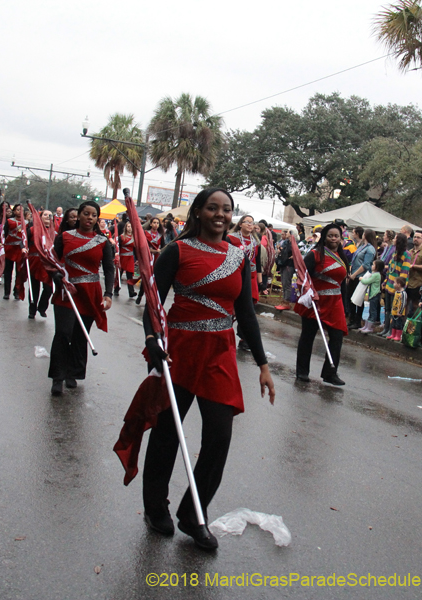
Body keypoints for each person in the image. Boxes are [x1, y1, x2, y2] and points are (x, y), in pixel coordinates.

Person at [140, 188, 275, 550]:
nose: (220, 214)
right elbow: (153, 305)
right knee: (168, 433)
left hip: (220, 354)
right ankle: (155, 508)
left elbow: (246, 312)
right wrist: (153, 340)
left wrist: (263, 363)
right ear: (198, 212)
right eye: (212, 208)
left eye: (226, 209)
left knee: (219, 437)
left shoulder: (239, 255)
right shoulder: (177, 251)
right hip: (180, 351)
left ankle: (193, 514)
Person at [48, 201, 114, 395]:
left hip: (90, 293)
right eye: (86, 213)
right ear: (79, 215)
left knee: (80, 335)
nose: (90, 218)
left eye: (94, 215)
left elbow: (109, 269)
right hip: (67, 292)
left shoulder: (103, 242)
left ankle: (73, 373)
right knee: (63, 333)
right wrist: (57, 277)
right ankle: (57, 377)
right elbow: (52, 262)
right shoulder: (65, 237)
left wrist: (108, 294)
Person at [295, 222, 348, 385]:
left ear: (340, 239)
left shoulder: (342, 257)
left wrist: (346, 306)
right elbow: (303, 276)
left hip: (335, 302)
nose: (334, 238)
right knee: (308, 336)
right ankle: (302, 371)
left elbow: (343, 283)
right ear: (324, 238)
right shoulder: (314, 254)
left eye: (336, 236)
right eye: (330, 235)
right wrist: (307, 292)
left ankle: (330, 373)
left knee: (337, 336)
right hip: (316, 302)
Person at [230, 215, 263, 351]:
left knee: (247, 308)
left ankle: (244, 338)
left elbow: (258, 261)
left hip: (251, 277)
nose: (250, 225)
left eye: (252, 222)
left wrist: (261, 282)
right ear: (240, 224)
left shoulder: (256, 241)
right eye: (247, 222)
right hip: (235, 274)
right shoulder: (231, 238)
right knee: (232, 305)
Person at [381, 233, 412, 337]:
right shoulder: (394, 253)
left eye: (395, 238)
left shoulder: (406, 255)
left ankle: (392, 330)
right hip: (389, 285)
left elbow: (404, 272)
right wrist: (385, 282)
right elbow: (390, 269)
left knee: (395, 311)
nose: (393, 239)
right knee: (387, 309)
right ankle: (386, 329)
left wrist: (399, 286)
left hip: (397, 288)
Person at [27, 209, 54, 319]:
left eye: (50, 215)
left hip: (48, 264)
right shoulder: (32, 230)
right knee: (34, 288)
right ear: (40, 217)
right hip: (34, 261)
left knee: (48, 288)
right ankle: (32, 310)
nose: (48, 216)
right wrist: (24, 248)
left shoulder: (55, 232)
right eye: (45, 215)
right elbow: (24, 242)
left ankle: (42, 307)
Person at [347, 228, 376, 328]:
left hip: (360, 276)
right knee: (351, 297)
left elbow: (366, 264)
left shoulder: (370, 249)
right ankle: (351, 318)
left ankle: (357, 321)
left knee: (358, 299)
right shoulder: (361, 246)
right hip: (353, 274)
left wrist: (354, 275)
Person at [3, 204, 28, 300]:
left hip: (20, 250)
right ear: (14, 211)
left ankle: (16, 291)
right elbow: (4, 234)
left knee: (19, 272)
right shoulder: (9, 221)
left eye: (21, 210)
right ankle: (6, 292)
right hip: (10, 249)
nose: (19, 212)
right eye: (17, 210)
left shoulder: (26, 223)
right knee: (8, 272)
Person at [406, 230, 422, 316]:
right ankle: (404, 325)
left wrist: (413, 266)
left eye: (418, 237)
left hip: (418, 283)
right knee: (405, 304)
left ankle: (414, 325)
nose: (415, 239)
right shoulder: (410, 251)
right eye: (414, 237)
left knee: (415, 305)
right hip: (408, 282)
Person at [357, 258, 384, 333]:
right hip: (372, 294)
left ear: (377, 267)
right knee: (370, 310)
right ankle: (366, 326)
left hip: (374, 295)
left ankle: (370, 327)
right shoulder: (375, 274)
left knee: (373, 311)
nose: (372, 266)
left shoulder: (376, 275)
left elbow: (367, 281)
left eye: (373, 265)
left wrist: (361, 278)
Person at [118, 221, 138, 299]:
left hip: (130, 258)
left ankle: (131, 292)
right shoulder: (121, 237)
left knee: (130, 275)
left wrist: (137, 259)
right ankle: (116, 289)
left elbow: (135, 249)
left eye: (131, 227)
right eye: (128, 226)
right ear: (126, 228)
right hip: (122, 258)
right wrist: (116, 257)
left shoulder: (134, 237)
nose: (130, 228)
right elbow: (117, 247)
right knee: (119, 275)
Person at [386, 276, 408, 341]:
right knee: (393, 323)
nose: (393, 284)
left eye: (395, 283)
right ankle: (393, 334)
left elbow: (403, 303)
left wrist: (400, 312)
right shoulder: (396, 292)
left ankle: (398, 335)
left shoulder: (403, 293)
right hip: (394, 312)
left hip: (399, 313)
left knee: (399, 324)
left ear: (399, 284)